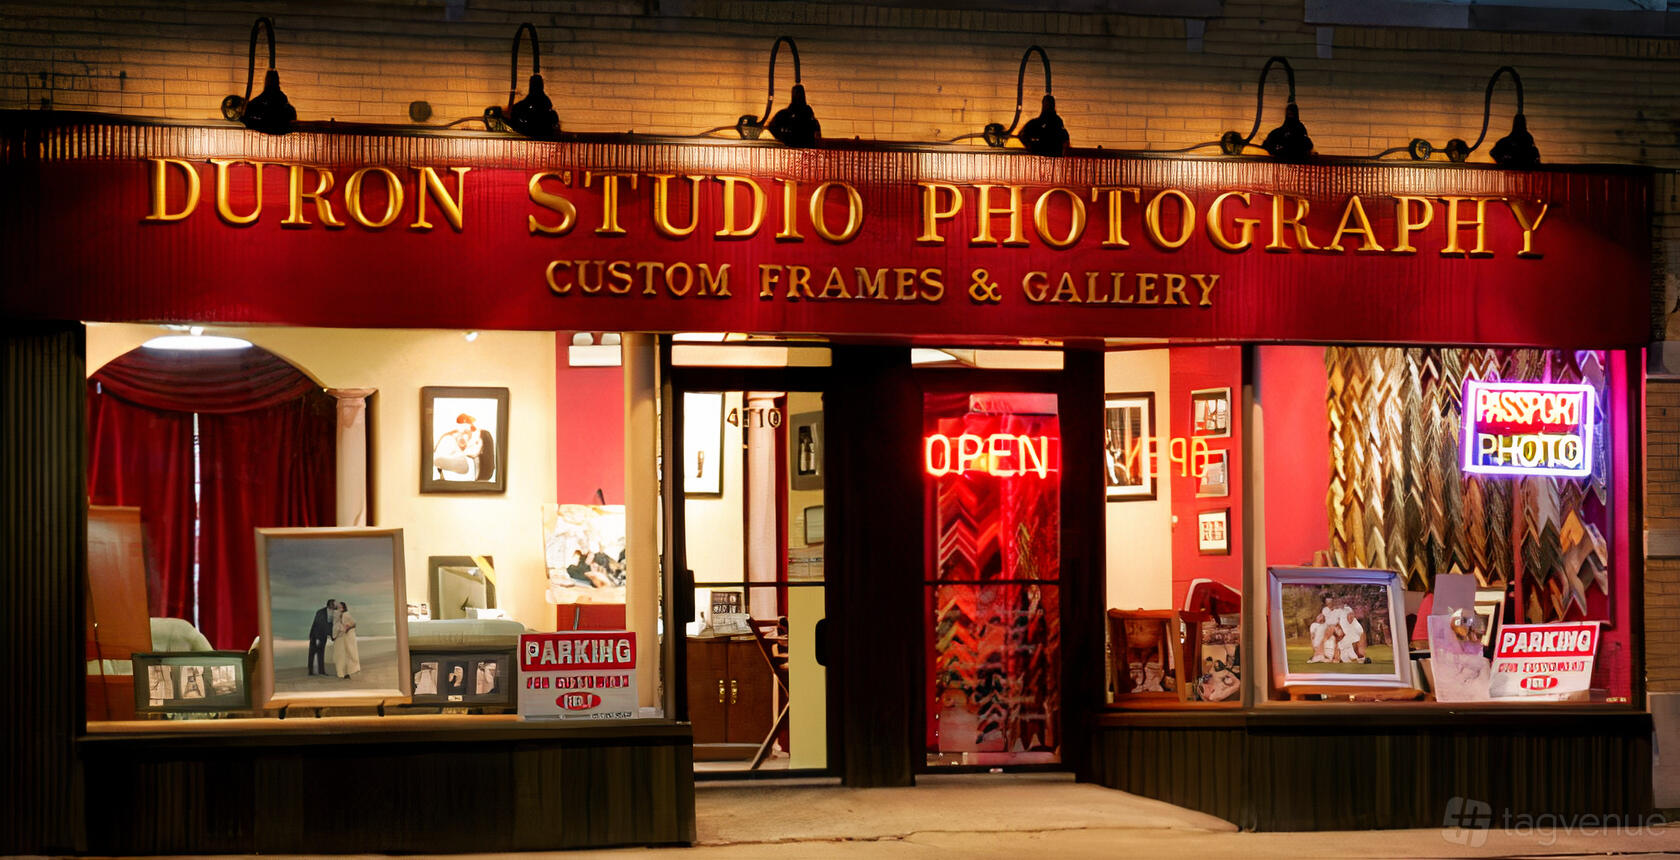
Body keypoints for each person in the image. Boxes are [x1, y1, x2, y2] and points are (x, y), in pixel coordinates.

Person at [307, 599, 337, 676]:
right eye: (334, 604)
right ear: (330, 604)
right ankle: (310, 671)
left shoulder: (334, 612)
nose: (335, 605)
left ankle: (321, 671)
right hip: (315, 635)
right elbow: (317, 625)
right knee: (312, 653)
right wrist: (317, 638)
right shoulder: (320, 612)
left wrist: (332, 636)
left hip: (323, 636)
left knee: (321, 653)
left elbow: (330, 625)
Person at [334, 602, 361, 679]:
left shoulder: (346, 614)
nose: (339, 608)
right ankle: (343, 673)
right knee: (342, 654)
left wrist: (347, 629)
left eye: (341, 607)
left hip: (348, 636)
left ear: (343, 607)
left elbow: (353, 624)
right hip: (342, 637)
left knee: (349, 653)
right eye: (338, 607)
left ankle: (348, 672)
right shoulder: (338, 615)